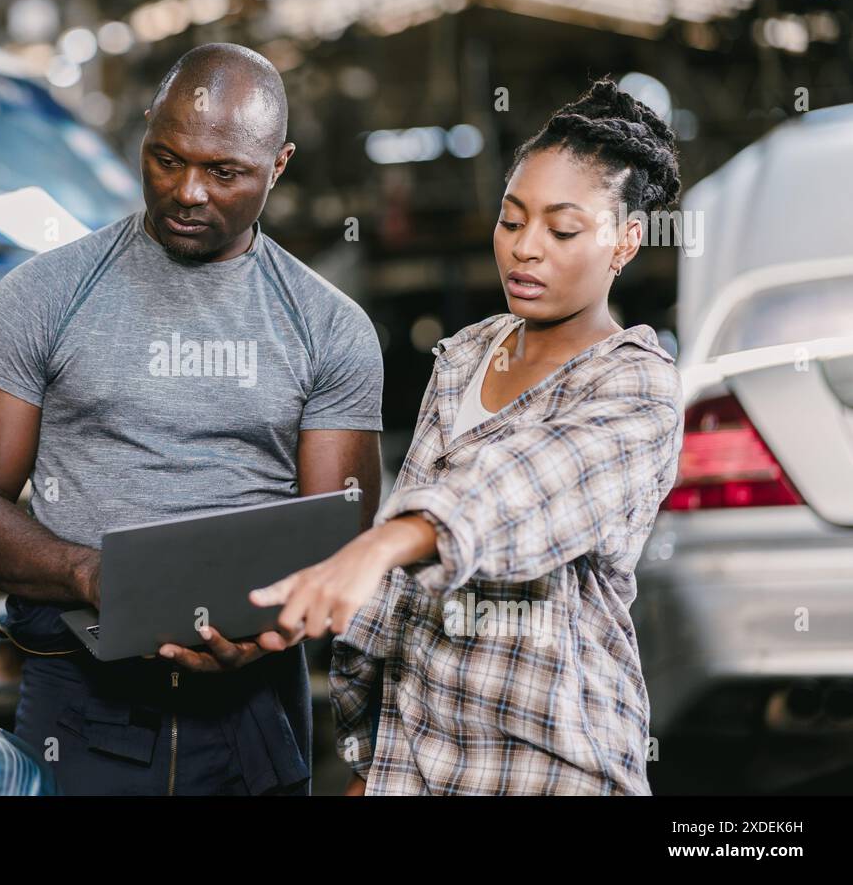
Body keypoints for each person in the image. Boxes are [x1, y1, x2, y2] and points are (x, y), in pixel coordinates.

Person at [0, 43, 384, 795]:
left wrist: (267, 632)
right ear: (144, 132)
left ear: (278, 166)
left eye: (224, 172)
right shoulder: (40, 297)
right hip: (78, 700)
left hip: (254, 715)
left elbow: (339, 540)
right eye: (167, 158)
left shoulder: (329, 329)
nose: (188, 192)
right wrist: (93, 574)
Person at [251, 78, 685, 795]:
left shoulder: (637, 387)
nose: (526, 250)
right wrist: (372, 758)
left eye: (563, 229)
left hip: (548, 764)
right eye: (512, 221)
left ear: (626, 241)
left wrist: (384, 541)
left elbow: (523, 486)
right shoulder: (465, 357)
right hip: (419, 765)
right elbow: (402, 601)